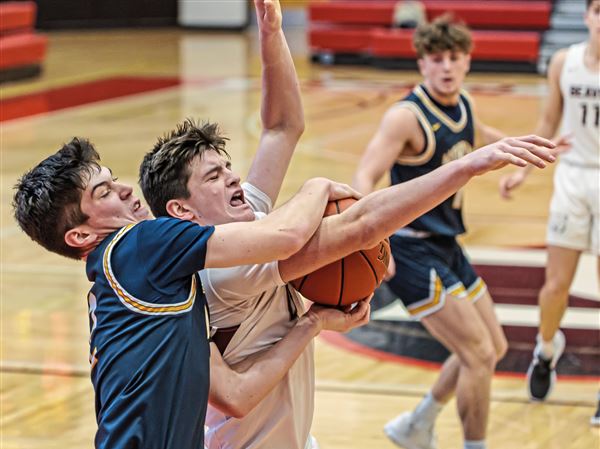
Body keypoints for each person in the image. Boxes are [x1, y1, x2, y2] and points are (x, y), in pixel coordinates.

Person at [139, 11, 556, 449]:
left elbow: (281, 128)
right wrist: (468, 166)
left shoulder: (246, 221)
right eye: (213, 176)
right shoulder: (226, 268)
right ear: (181, 210)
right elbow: (362, 225)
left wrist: (272, 32)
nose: (232, 177)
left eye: (227, 167)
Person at [12, 137, 372, 449]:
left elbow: (236, 395)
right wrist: (317, 186)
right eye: (104, 192)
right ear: (79, 237)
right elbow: (288, 237)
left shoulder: (133, 277)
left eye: (114, 181)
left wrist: (312, 323)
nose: (124, 189)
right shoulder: (139, 247)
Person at [352, 16, 523, 449]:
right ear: (422, 63)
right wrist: (373, 240)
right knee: (478, 354)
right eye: (436, 59)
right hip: (410, 250)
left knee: (493, 347)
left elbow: (480, 138)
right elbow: (365, 176)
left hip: (447, 246)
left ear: (467, 62)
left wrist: (519, 156)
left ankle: (417, 423)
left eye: (455, 58)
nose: (446, 67)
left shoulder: (463, 102)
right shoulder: (406, 117)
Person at [498, 0, 599, 417]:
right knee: (556, 285)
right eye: (599, 10)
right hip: (573, 177)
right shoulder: (564, 62)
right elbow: (548, 121)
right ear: (588, 16)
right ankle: (544, 349)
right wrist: (523, 168)